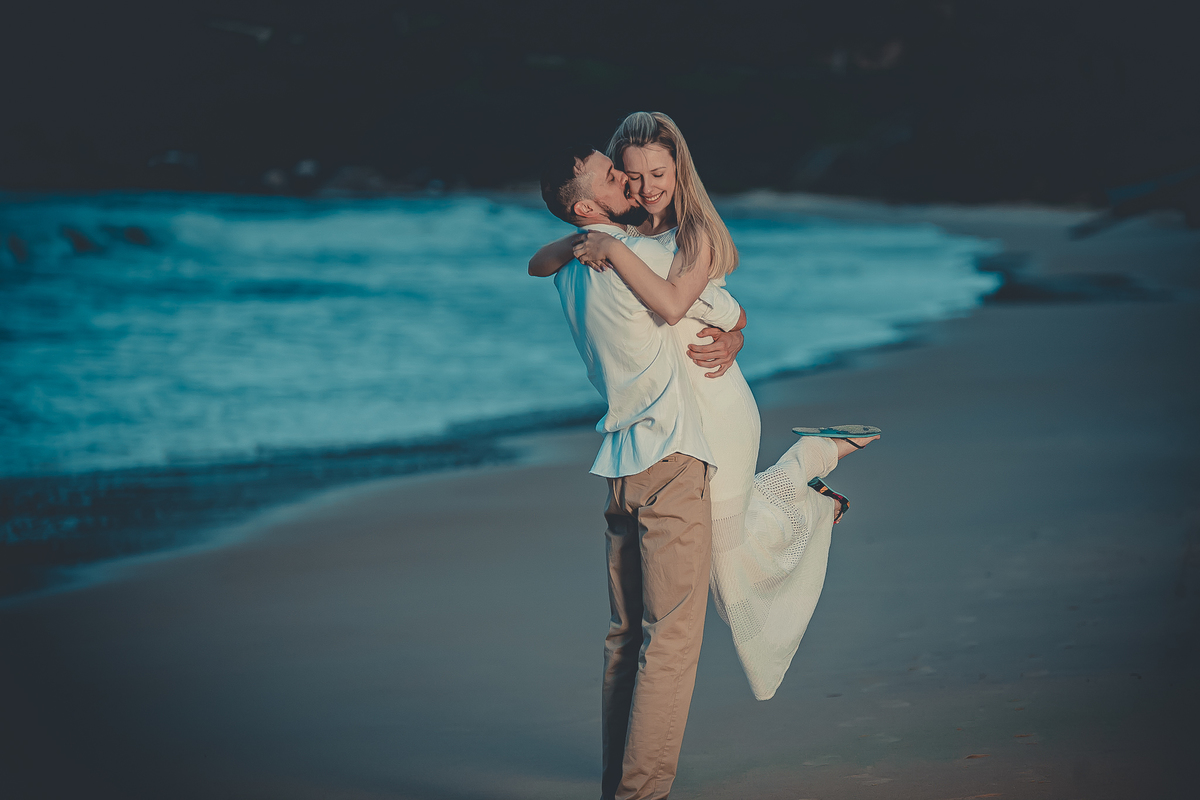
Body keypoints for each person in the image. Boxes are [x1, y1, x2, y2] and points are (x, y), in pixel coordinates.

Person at [530, 112, 880, 706]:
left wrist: (733, 336)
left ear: (679, 171)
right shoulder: (619, 238)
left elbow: (718, 310)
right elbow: (539, 263)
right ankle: (812, 466)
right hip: (678, 416)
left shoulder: (685, 238)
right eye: (629, 174)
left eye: (657, 174)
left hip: (714, 405)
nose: (644, 187)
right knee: (727, 551)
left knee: (729, 558)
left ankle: (813, 461)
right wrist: (585, 240)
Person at [536, 144, 747, 800]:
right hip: (673, 460)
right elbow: (723, 309)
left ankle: (618, 785)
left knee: (627, 636)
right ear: (586, 207)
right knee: (672, 639)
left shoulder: (571, 268)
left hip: (622, 468)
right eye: (612, 175)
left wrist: (584, 242)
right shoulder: (646, 256)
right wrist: (736, 332)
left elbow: (539, 260)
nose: (629, 180)